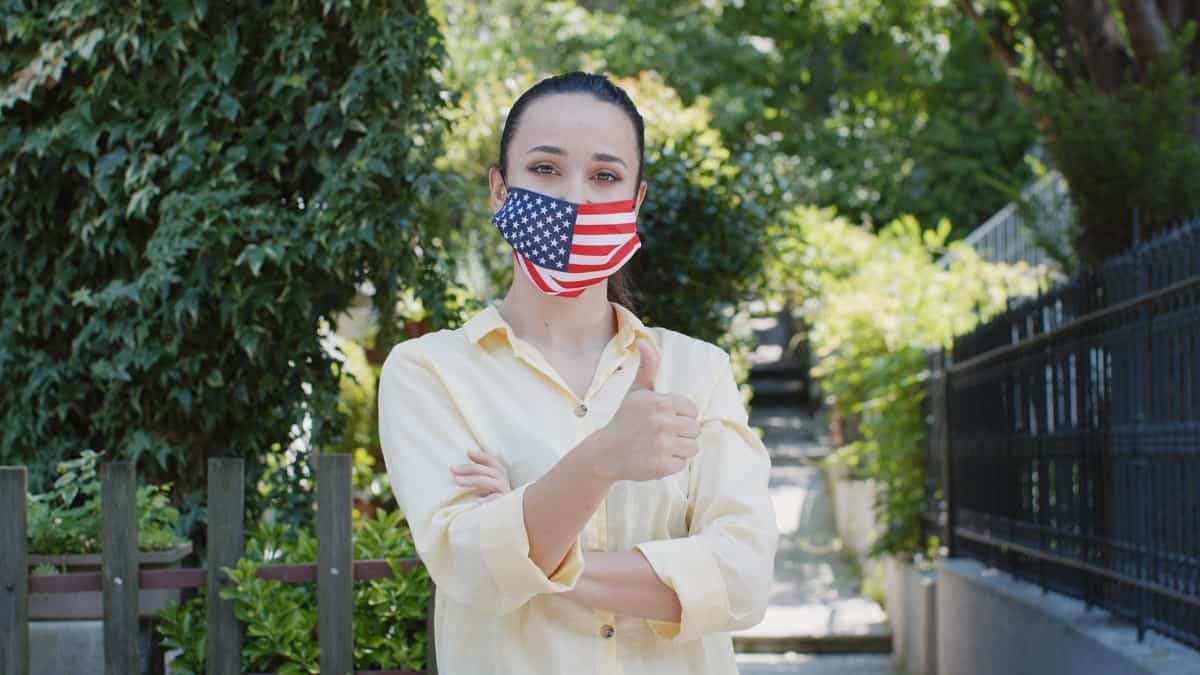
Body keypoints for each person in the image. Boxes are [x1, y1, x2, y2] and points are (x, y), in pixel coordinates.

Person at [378, 71, 778, 675]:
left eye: (605, 176)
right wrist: (603, 459)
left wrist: (535, 538)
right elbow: (470, 569)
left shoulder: (698, 371)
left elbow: (742, 580)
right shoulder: (429, 371)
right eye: (544, 169)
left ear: (635, 201)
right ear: (498, 189)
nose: (574, 197)